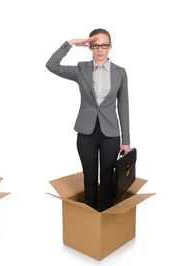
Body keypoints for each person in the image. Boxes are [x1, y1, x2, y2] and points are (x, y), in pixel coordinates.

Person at [46, 28, 131, 212]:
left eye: (104, 45)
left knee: (107, 179)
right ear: (90, 47)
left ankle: (107, 220)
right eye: (95, 45)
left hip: (111, 134)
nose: (100, 49)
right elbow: (52, 65)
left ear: (110, 47)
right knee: (90, 177)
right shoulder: (80, 69)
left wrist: (126, 141)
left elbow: (123, 108)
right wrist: (69, 43)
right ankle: (90, 220)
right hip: (86, 134)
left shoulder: (120, 72)